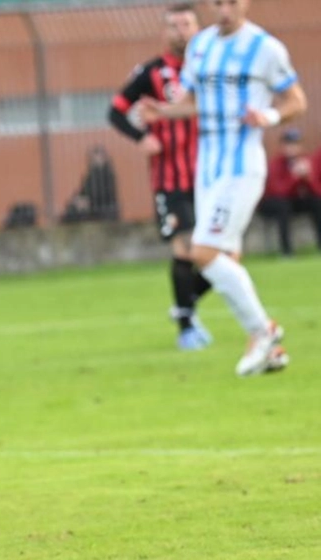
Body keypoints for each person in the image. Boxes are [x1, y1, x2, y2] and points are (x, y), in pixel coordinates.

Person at [140, 0, 307, 376]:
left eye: (232, 2)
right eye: (218, 3)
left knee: (203, 251)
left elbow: (297, 100)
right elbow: (196, 102)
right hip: (208, 168)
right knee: (226, 259)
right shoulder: (202, 46)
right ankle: (268, 350)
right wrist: (162, 113)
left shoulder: (265, 48)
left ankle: (262, 330)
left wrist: (270, 115)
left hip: (241, 165)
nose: (225, 9)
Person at [108, 2, 212, 350]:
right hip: (171, 179)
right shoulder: (151, 73)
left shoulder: (214, 67)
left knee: (224, 254)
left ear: (199, 28)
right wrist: (142, 137)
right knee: (184, 247)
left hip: (213, 175)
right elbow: (116, 111)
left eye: (186, 24)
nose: (180, 31)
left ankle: (185, 305)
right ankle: (186, 327)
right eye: (174, 25)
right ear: (164, 31)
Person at [260, 127, 321, 256]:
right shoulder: (275, 164)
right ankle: (287, 251)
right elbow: (279, 192)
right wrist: (294, 176)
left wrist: (307, 178)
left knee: (316, 202)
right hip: (270, 203)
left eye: (295, 144)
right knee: (283, 206)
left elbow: (316, 191)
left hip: (291, 201)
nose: (292, 147)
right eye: (288, 144)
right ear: (282, 146)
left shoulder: (305, 161)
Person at [61, 145, 120, 223]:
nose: (94, 160)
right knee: (72, 209)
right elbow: (82, 191)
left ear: (104, 158)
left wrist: (89, 202)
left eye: (96, 158)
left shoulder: (108, 175)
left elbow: (105, 195)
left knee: (75, 212)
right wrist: (76, 199)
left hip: (103, 209)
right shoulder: (90, 175)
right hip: (91, 208)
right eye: (92, 158)